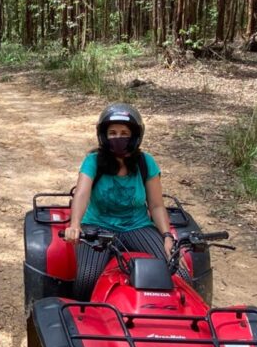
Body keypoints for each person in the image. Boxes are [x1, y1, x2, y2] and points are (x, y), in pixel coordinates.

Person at [64, 102, 175, 298]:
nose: (118, 138)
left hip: (137, 226)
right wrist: (75, 224)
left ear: (134, 136)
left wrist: (166, 236)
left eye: (124, 133)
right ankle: (85, 322)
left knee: (176, 270)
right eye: (112, 133)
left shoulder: (145, 162)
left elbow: (156, 205)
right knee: (87, 279)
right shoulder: (94, 161)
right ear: (104, 136)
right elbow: (81, 194)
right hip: (98, 226)